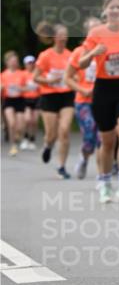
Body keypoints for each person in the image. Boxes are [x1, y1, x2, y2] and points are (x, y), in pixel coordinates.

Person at [79, 0, 119, 203]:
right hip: (104, 89)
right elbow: (81, 63)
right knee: (107, 141)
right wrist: (94, 52)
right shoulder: (96, 33)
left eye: (118, 7)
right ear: (105, 11)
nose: (114, 11)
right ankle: (105, 183)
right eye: (111, 7)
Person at [33, 25, 74, 178]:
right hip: (49, 96)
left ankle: (62, 166)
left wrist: (72, 79)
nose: (63, 38)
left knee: (64, 130)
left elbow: (77, 75)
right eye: (61, 35)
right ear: (54, 38)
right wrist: (50, 80)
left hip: (66, 96)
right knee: (51, 134)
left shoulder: (71, 55)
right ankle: (48, 146)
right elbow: (35, 77)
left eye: (66, 35)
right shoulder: (45, 56)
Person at [65, 17, 101, 179]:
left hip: (103, 100)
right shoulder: (79, 53)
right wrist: (83, 90)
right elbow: (68, 78)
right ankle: (84, 158)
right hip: (84, 101)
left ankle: (103, 176)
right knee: (89, 137)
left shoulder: (107, 50)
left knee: (102, 138)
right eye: (92, 30)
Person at [1, 51, 26, 157]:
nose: (14, 63)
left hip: (20, 100)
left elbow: (27, 88)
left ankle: (17, 137)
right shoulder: (3, 75)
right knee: (11, 123)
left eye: (15, 61)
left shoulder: (22, 73)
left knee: (20, 126)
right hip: (8, 100)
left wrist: (20, 88)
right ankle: (13, 145)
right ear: (7, 62)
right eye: (11, 61)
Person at [21, 55, 40, 148]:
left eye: (32, 63)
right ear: (25, 64)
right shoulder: (23, 74)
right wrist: (27, 88)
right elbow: (19, 87)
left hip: (36, 99)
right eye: (28, 63)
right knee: (28, 119)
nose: (30, 65)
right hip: (27, 99)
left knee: (35, 121)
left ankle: (32, 139)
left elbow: (42, 86)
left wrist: (37, 87)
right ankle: (25, 137)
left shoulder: (37, 73)